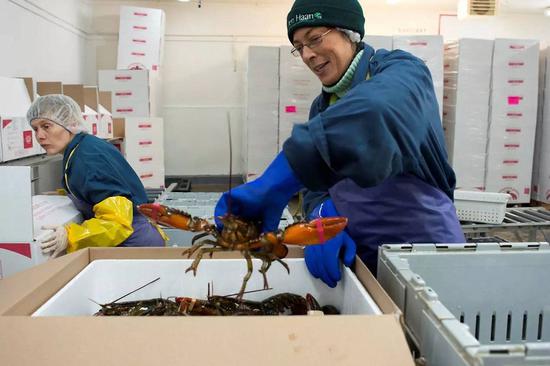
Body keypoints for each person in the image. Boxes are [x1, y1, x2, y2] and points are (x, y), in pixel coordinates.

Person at [215, 0, 465, 287]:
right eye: (299, 46)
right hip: (356, 263)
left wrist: (279, 178)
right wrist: (321, 216)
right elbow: (315, 190)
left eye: (315, 39)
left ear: (349, 32)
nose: (308, 54)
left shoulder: (403, 71)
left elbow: (376, 111)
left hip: (425, 260)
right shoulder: (321, 108)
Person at [27, 94, 166, 258]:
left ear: (68, 122)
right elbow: (98, 190)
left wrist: (71, 235)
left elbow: (117, 223)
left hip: (134, 246)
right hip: (136, 240)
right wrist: (66, 195)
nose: (39, 136)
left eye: (46, 126)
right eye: (35, 129)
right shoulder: (83, 146)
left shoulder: (87, 159)